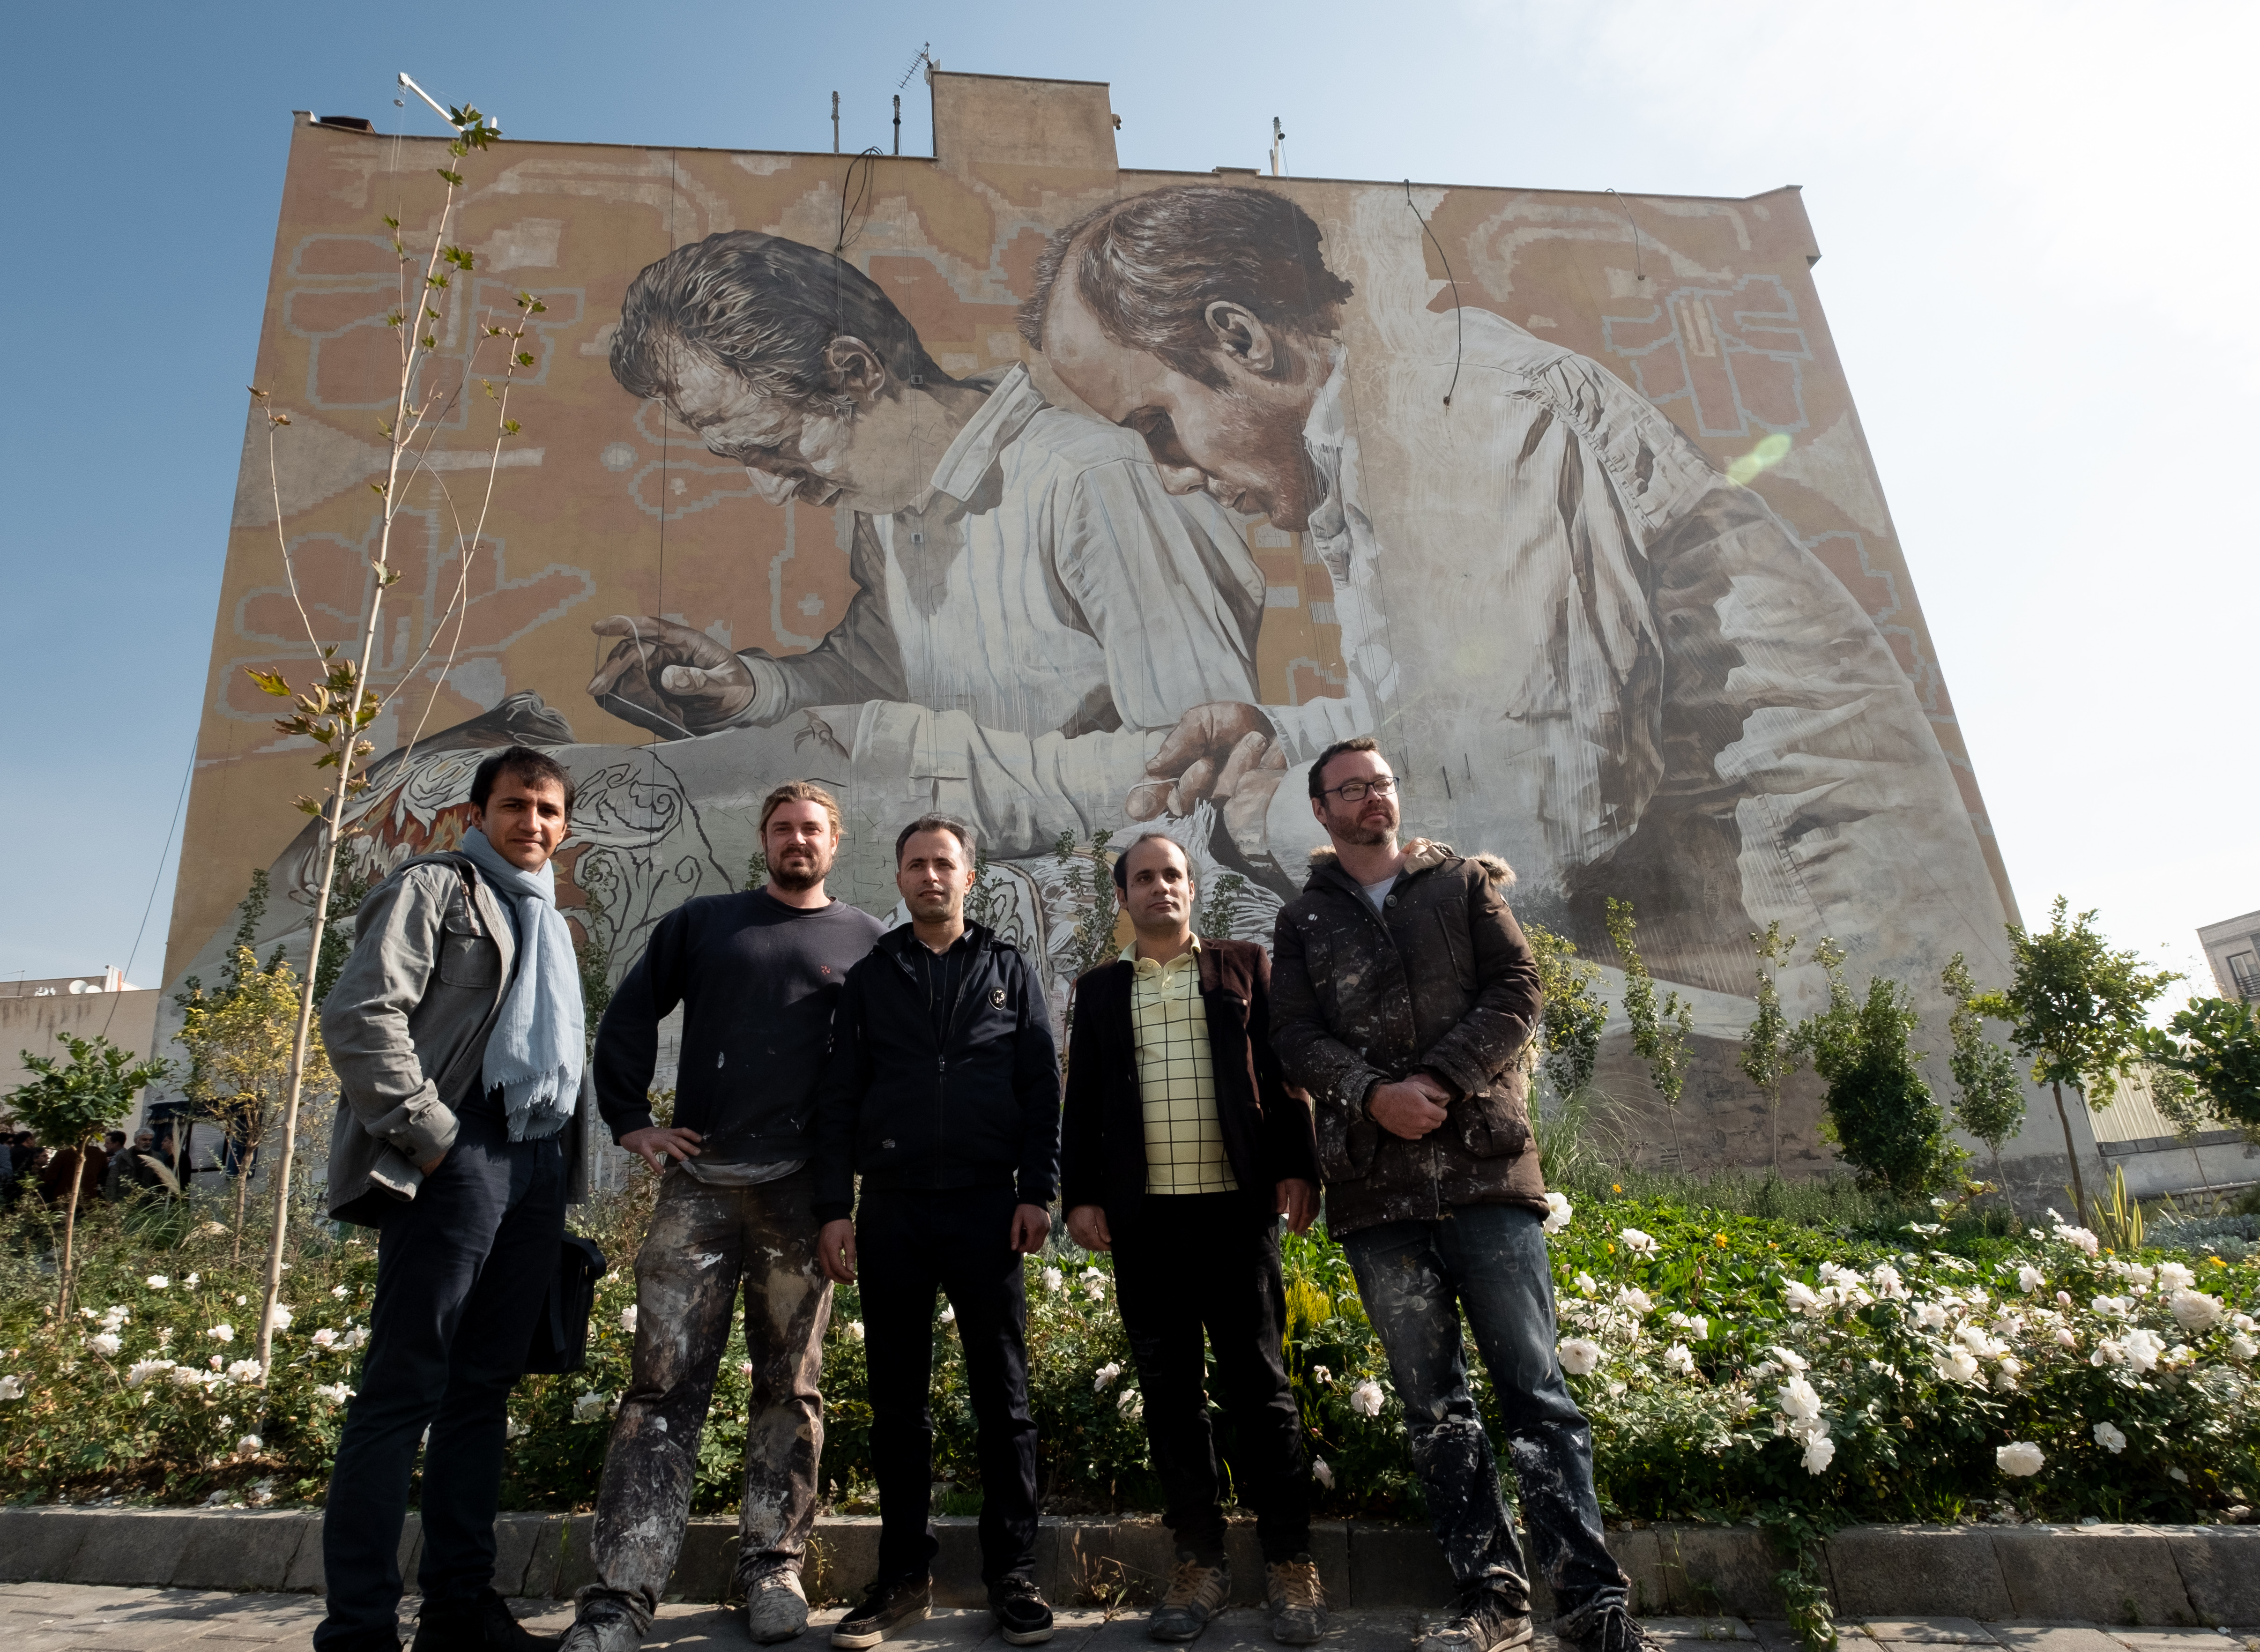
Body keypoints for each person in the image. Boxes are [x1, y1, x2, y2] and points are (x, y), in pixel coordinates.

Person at [1020, 184, 2009, 991]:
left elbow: (1531, 817)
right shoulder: (1393, 429)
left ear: (1240, 339)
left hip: (1839, 984)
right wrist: (1286, 741)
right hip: (1763, 978)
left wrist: (1273, 813)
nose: (1173, 476)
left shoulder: (1460, 417)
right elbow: (1456, 711)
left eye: (1156, 425)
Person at [588, 230, 1269, 859]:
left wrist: (922, 765)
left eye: (775, 448)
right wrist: (754, 690)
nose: (771, 492)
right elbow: (885, 674)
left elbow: (1205, 768)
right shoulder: (881, 510)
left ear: (857, 370)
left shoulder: (1088, 478)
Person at [1266, 737, 1638, 1652]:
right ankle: (1492, 1597)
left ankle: (1590, 1601)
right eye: (1348, 790)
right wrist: (1369, 1093)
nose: (1369, 801)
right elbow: (1291, 1036)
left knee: (1536, 1392)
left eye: (1379, 784)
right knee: (1434, 1406)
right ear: (1320, 811)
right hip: (1376, 1192)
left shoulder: (1462, 885)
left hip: (1484, 1170)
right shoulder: (1304, 921)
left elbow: (1519, 988)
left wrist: (1436, 1077)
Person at [563, 782, 886, 1652]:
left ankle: (771, 1566)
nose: (796, 840)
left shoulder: (865, 941)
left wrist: (854, 1184)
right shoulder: (704, 924)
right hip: (697, 1184)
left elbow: (886, 1063)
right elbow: (628, 1014)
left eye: (810, 828)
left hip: (800, 1195)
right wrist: (630, 1117)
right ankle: (621, 1597)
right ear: (764, 839)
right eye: (782, 828)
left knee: (791, 1386)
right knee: (660, 1389)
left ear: (833, 840)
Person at [313, 745, 588, 1652]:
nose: (533, 824)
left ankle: (459, 1611)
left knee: (482, 1391)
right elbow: (361, 1016)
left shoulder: (548, 915)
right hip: (458, 1152)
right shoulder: (435, 887)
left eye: (549, 811)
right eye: (516, 806)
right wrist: (431, 1135)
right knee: (403, 1390)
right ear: (477, 812)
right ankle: (356, 1627)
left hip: (534, 1158)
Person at [1061, 831, 1326, 1645]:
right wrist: (1079, 1197)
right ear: (1123, 897)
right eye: (1142, 878)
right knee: (1170, 1392)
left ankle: (1288, 1561)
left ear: (1190, 887)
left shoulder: (1242, 966)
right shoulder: (1101, 989)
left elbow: (1284, 1077)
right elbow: (1083, 1101)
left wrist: (1299, 1167)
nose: (1159, 888)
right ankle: (1197, 1559)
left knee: (1259, 1387)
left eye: (1171, 874)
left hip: (1234, 1214)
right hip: (1146, 1221)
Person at [810, 814, 1061, 1649]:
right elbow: (839, 1096)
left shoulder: (1008, 968)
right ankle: (902, 1576)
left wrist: (1039, 1192)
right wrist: (832, 1208)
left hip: (989, 1208)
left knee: (1004, 1398)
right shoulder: (871, 975)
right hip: (891, 1207)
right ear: (900, 876)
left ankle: (1011, 1574)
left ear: (968, 875)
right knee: (896, 1405)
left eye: (942, 863)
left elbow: (1040, 1089)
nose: (929, 876)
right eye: (915, 864)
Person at [38, 1138, 110, 1208]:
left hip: (65, 1198)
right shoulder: (100, 1155)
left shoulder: (63, 1154)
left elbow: (50, 1178)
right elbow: (103, 1178)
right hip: (89, 1198)